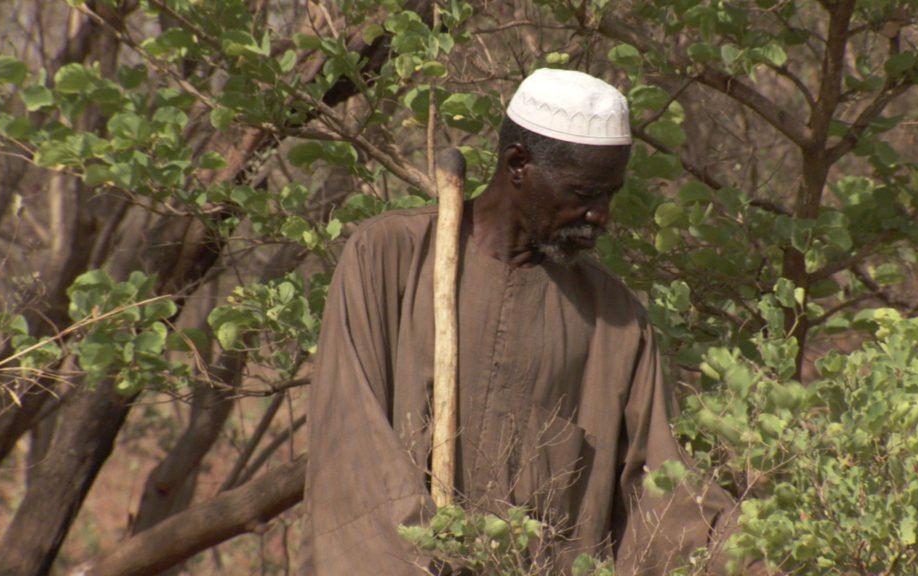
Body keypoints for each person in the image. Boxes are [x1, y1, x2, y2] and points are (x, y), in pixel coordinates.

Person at [302, 68, 740, 575]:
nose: (601, 216)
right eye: (583, 195)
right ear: (518, 165)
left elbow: (664, 490)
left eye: (608, 196)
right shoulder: (387, 258)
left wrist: (757, 557)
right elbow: (352, 454)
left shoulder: (617, 321)